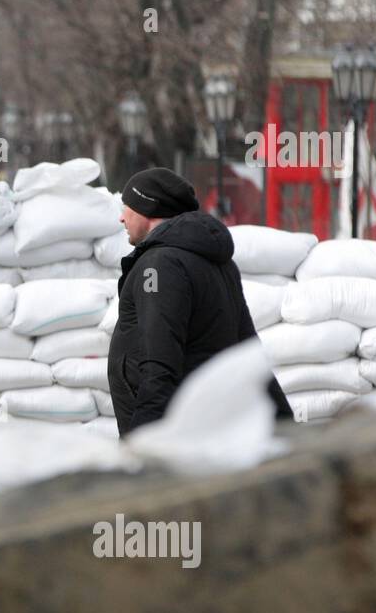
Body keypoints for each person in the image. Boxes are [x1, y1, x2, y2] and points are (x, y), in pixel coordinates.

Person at [108, 167, 293, 435]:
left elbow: (158, 362)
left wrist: (140, 445)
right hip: (205, 427)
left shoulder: (158, 265)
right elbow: (248, 350)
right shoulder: (218, 263)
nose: (121, 218)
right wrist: (287, 427)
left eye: (127, 207)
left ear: (146, 209)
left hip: (170, 438)